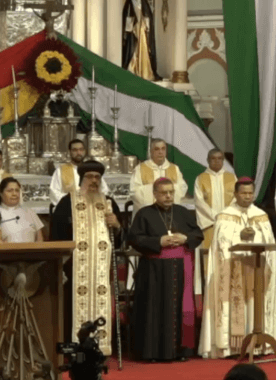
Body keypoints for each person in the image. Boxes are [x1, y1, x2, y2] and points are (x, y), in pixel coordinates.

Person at [199, 177, 276, 359]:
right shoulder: (224, 215)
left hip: (257, 269)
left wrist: (255, 238)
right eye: (244, 193)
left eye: (250, 193)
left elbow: (268, 242)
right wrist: (240, 236)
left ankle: (259, 344)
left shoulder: (261, 215)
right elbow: (220, 244)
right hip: (234, 270)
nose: (248, 197)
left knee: (256, 302)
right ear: (235, 194)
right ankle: (232, 347)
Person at [50, 160, 123, 356]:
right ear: (82, 179)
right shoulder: (67, 202)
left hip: (101, 268)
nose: (94, 181)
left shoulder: (108, 202)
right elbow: (56, 234)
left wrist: (116, 225)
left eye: (97, 177)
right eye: (90, 177)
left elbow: (121, 238)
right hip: (73, 268)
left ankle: (100, 348)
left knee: (102, 302)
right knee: (70, 306)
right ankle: (72, 347)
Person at [126, 177, 203, 361]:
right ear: (155, 194)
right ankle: (152, 353)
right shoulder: (144, 214)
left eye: (171, 192)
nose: (168, 196)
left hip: (181, 268)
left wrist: (185, 238)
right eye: (164, 193)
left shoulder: (183, 212)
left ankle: (180, 351)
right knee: (154, 309)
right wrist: (158, 241)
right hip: (154, 271)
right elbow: (134, 239)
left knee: (181, 309)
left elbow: (197, 234)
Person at [194, 148, 236, 304]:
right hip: (209, 226)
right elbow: (199, 202)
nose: (217, 161)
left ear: (223, 160)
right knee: (209, 261)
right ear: (208, 160)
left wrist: (225, 217)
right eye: (213, 159)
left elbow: (236, 200)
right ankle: (209, 292)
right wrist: (216, 217)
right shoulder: (201, 179)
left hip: (229, 225)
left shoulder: (231, 177)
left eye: (220, 158)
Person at [129, 139, 188, 215]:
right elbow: (134, 191)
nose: (160, 152)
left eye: (163, 149)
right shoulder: (140, 169)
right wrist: (158, 193)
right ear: (151, 152)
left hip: (170, 213)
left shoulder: (174, 168)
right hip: (148, 215)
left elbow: (182, 188)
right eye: (157, 149)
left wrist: (164, 195)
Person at [49, 139, 109, 206]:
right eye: (75, 150)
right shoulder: (61, 170)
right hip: (69, 208)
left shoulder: (92, 169)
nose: (78, 152)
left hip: (91, 206)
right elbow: (54, 193)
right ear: (69, 152)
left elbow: (104, 190)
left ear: (85, 151)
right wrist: (74, 201)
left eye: (81, 149)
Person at [0, 177, 44, 243]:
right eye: (10, 191)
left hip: (32, 252)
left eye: (17, 190)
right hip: (6, 252)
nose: (14, 194)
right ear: (1, 193)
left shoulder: (30, 212)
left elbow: (40, 240)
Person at [122, 0, 161, 81]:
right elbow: (125, 17)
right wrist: (131, 22)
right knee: (133, 50)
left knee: (143, 50)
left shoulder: (143, 3)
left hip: (142, 31)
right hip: (133, 32)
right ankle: (132, 70)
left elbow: (149, 16)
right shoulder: (129, 3)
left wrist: (145, 22)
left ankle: (144, 72)